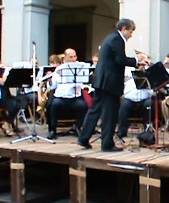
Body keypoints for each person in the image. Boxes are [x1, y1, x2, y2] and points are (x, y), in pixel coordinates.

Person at [78, 19, 140, 152]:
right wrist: (137, 60)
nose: (131, 35)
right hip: (110, 83)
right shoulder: (117, 39)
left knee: (95, 110)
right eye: (130, 31)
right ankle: (107, 144)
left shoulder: (110, 38)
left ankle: (83, 138)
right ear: (124, 29)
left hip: (102, 81)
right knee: (110, 114)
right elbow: (120, 60)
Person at [46, 48, 88, 140]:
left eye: (75, 56)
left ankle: (79, 127)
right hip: (61, 96)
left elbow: (84, 82)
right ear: (65, 58)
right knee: (54, 104)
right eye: (71, 57)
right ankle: (52, 129)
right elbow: (53, 87)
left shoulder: (80, 67)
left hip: (75, 96)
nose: (73, 59)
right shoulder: (59, 69)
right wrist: (50, 80)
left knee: (83, 105)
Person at [117, 53, 153, 139]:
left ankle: (147, 130)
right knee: (123, 105)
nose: (141, 66)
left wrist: (148, 67)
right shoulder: (127, 70)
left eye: (143, 63)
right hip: (129, 97)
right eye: (140, 63)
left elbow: (153, 89)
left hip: (144, 98)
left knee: (149, 104)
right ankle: (122, 131)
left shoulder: (149, 72)